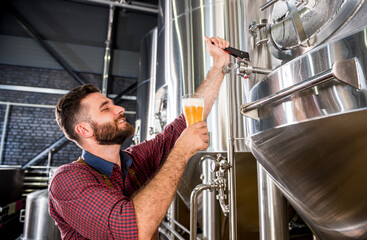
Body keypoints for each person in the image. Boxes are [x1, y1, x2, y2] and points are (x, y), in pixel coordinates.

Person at [49, 36, 230, 240]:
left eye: (113, 103)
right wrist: (181, 152)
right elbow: (134, 232)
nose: (120, 109)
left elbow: (187, 121)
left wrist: (219, 64)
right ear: (84, 130)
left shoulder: (134, 160)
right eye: (106, 108)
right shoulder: (68, 180)